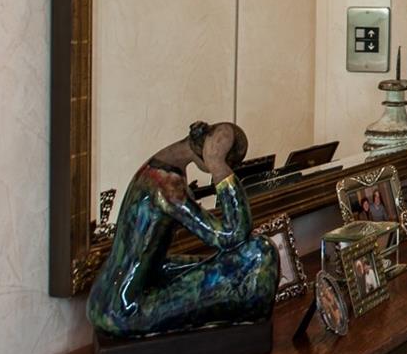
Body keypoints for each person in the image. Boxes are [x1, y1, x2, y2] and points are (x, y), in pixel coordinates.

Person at [87, 122, 279, 337]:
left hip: (113, 293)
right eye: (229, 162)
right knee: (260, 252)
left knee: (236, 261)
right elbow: (232, 235)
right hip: (122, 309)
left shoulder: (157, 168)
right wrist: (218, 167)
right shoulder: (167, 185)